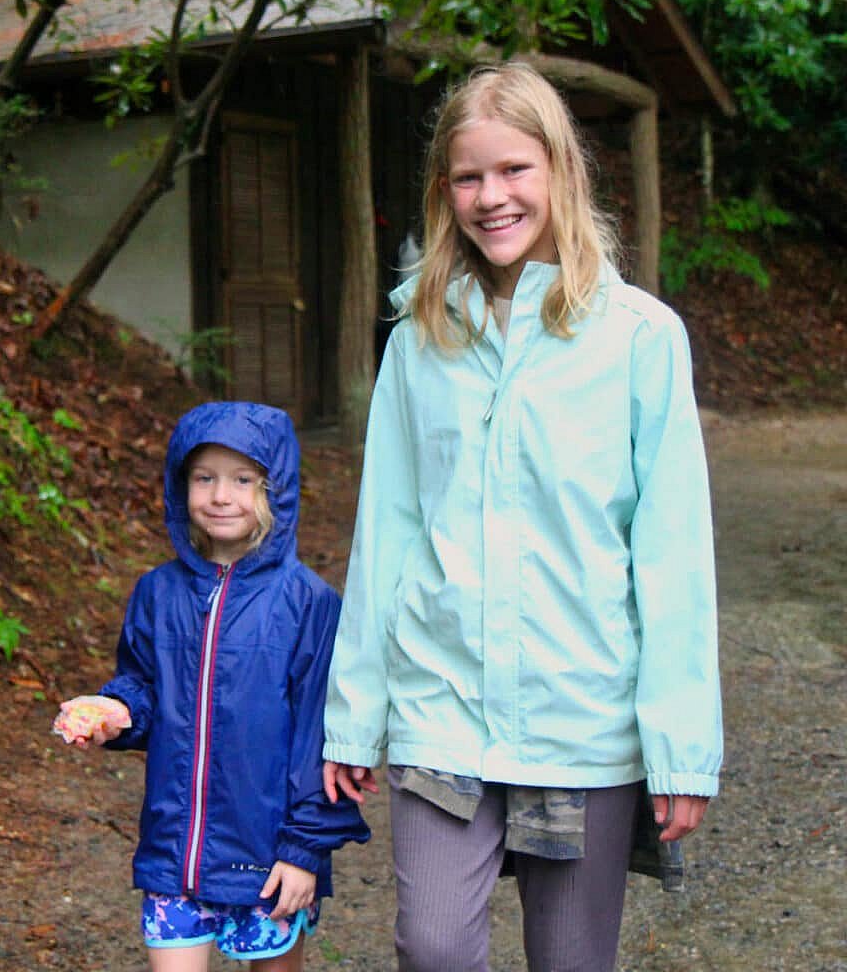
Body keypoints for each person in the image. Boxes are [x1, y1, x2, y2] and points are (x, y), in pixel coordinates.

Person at [322, 62, 723, 972]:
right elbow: (384, 532)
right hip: (441, 709)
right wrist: (354, 716)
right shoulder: (419, 341)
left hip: (579, 722)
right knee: (432, 947)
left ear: (561, 174)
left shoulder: (638, 339)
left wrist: (682, 747)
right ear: (443, 191)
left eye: (515, 171)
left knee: (571, 961)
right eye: (469, 176)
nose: (492, 197)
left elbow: (671, 556)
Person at [56, 401, 370, 972]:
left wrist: (303, 852)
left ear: (276, 489)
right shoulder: (157, 592)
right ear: (182, 486)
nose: (221, 496)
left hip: (271, 856)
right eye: (205, 478)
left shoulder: (309, 604)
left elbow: (322, 739)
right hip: (175, 853)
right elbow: (144, 686)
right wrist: (117, 710)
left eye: (243, 479)